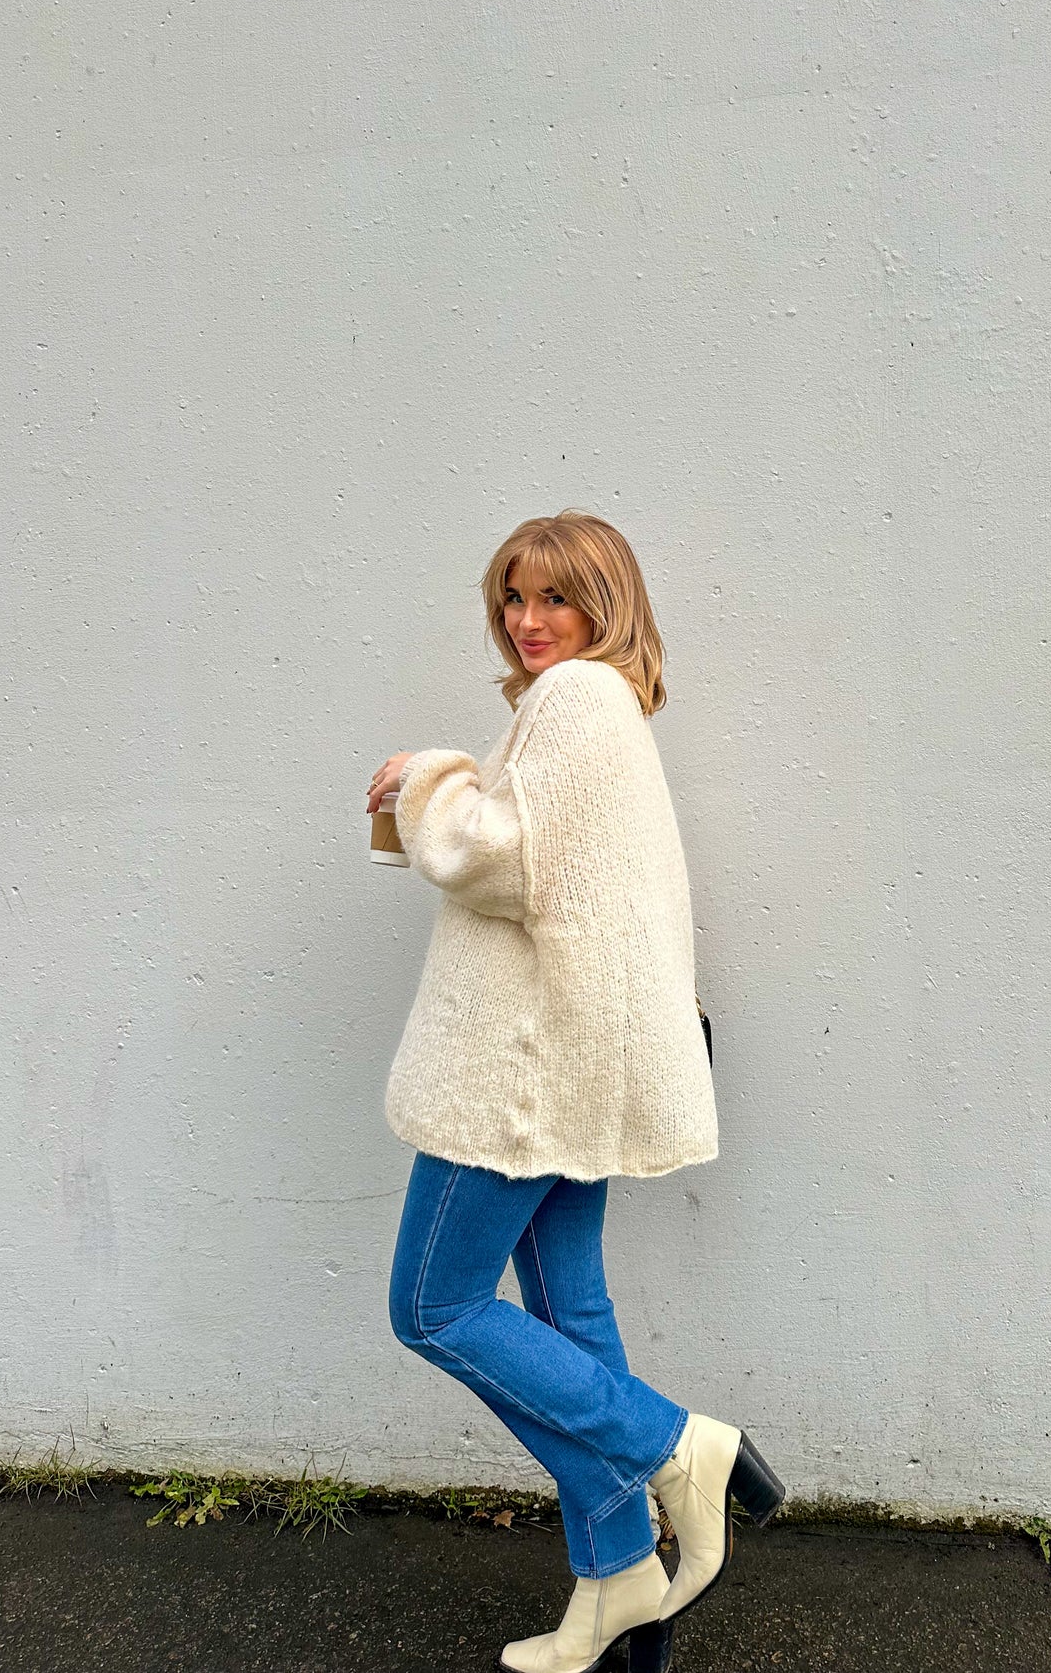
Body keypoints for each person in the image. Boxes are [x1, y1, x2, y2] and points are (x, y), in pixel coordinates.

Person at [365, 509, 785, 1673]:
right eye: (512, 596)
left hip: (522, 1072)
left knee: (432, 1305)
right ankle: (619, 1582)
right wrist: (422, 812)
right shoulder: (599, 707)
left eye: (554, 597)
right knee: (563, 1313)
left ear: (605, 604)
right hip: (571, 1056)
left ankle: (676, 1447)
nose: (527, 620)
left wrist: (421, 778)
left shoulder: (577, 700)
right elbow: (538, 857)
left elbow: (503, 861)